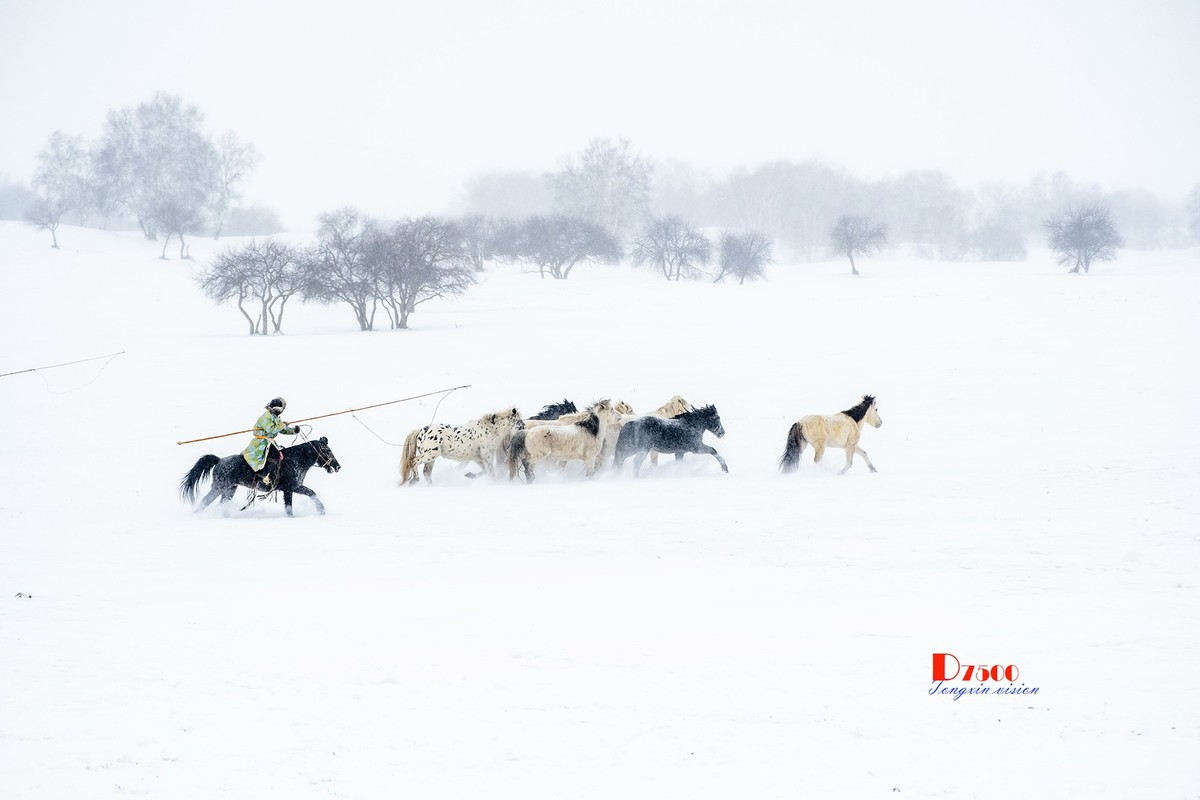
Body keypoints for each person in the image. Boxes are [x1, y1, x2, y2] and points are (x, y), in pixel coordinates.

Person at [242, 397, 300, 487]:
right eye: (278, 411)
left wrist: (293, 431)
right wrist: (282, 425)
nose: (279, 412)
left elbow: (281, 430)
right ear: (272, 409)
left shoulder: (276, 418)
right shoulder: (265, 417)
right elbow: (271, 429)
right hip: (261, 442)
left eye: (280, 411)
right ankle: (263, 474)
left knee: (280, 454)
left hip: (269, 441)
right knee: (271, 455)